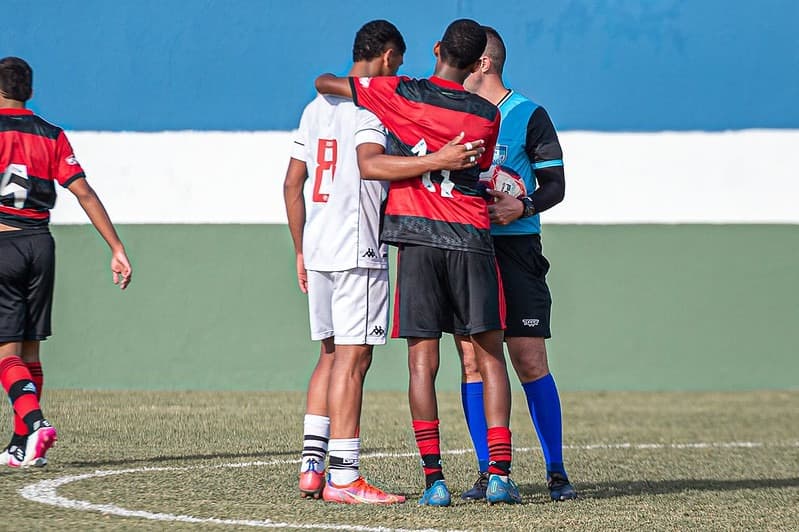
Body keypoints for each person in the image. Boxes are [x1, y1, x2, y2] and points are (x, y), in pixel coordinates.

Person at [316, 19, 522, 506]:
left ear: (435, 49)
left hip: (416, 239)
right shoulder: (485, 116)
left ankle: (435, 481)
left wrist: (365, 92)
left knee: (420, 363)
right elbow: (478, 167)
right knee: (489, 356)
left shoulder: (398, 94)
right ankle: (498, 474)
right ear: (476, 65)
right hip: (470, 238)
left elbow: (325, 82)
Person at [456, 26, 577, 502]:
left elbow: (555, 185)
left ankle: (557, 471)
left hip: (518, 250)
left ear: (483, 63)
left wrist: (521, 205)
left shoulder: (529, 114)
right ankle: (490, 472)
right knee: (471, 360)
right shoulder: (457, 112)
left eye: (465, 59)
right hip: (469, 248)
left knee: (528, 358)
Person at [0, 56, 132, 468]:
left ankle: (36, 423)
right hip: (41, 245)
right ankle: (23, 447)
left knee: (6, 354)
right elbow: (84, 192)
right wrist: (116, 246)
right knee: (32, 353)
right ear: (31, 92)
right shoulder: (52, 135)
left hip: (3, 244)